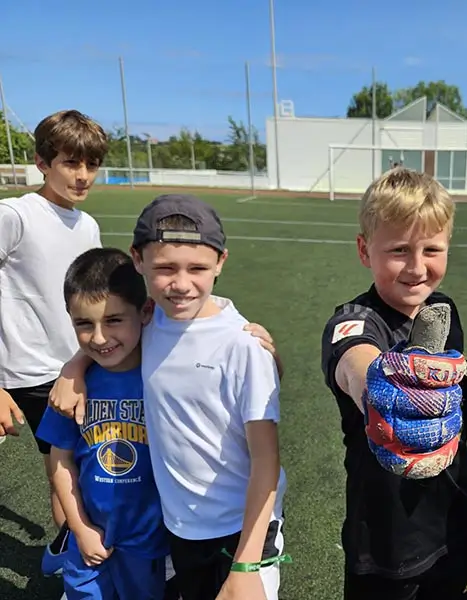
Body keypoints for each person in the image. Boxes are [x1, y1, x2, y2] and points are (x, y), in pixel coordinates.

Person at [49, 194, 288, 600]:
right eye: (164, 269)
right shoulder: (151, 320)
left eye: (197, 268)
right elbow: (108, 337)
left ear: (221, 263)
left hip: (242, 529)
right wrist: (74, 367)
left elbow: (267, 460)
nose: (181, 284)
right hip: (177, 528)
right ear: (137, 259)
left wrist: (246, 563)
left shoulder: (242, 344)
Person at [321, 168, 467, 600]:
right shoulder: (354, 320)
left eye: (432, 249)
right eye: (398, 250)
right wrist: (379, 386)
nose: (417, 267)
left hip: (451, 513)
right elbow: (355, 359)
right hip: (386, 535)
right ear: (364, 250)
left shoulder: (442, 310)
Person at [0, 109, 108, 575]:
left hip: (63, 373)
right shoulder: (15, 214)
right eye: (70, 163)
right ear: (43, 162)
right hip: (10, 376)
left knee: (66, 474)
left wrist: (81, 364)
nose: (82, 176)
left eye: (91, 165)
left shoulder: (87, 227)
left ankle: (70, 564)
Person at [36, 248, 170, 599]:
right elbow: (61, 460)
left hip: (150, 544)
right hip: (88, 540)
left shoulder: (165, 376)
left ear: (144, 312)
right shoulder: (73, 390)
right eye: (84, 324)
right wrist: (79, 528)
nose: (98, 337)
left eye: (113, 320)